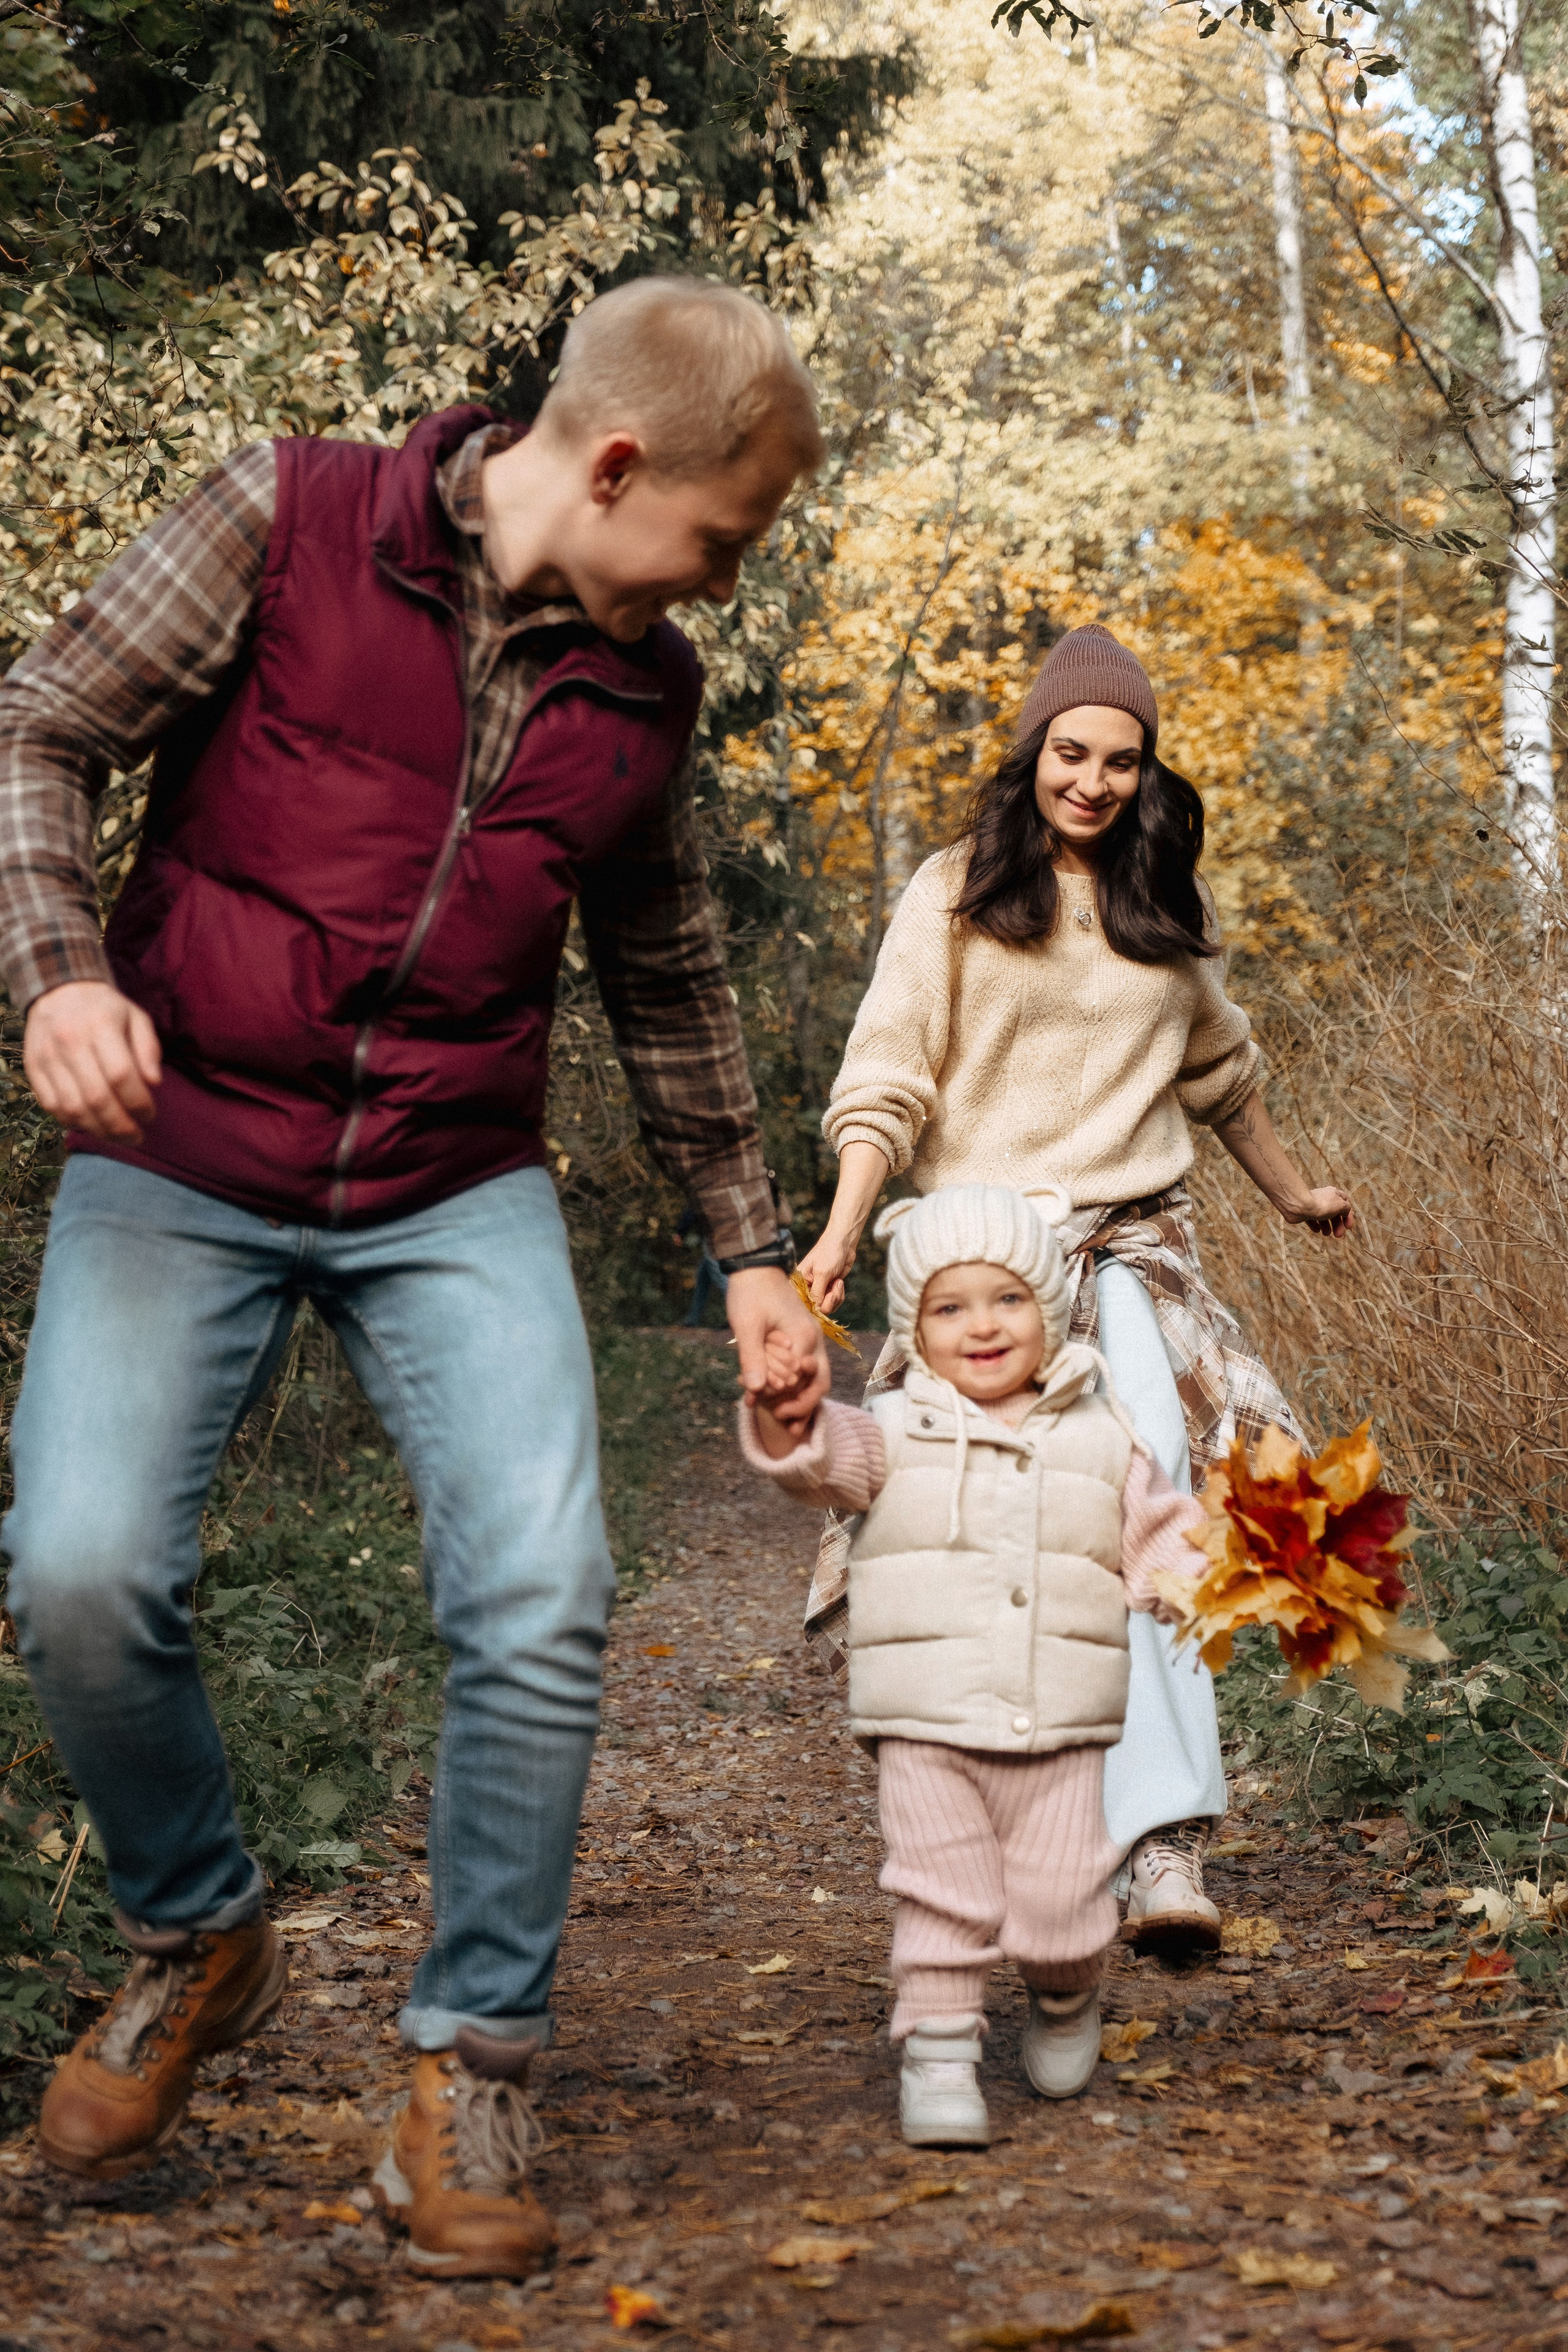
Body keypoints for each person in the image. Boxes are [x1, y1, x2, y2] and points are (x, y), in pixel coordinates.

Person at [0, 276, 831, 2276]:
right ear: (620, 464)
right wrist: (57, 975)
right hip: (183, 1139)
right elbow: (36, 724)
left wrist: (752, 1255)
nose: (717, 578)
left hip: (456, 1183)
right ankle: (199, 1931)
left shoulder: (647, 690)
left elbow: (667, 975)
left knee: (543, 1589)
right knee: (79, 1570)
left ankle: (474, 2063)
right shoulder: (281, 519)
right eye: (720, 537)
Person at [797, 624, 1351, 1956]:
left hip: (1127, 1241)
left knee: (1147, 1470)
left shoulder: (1165, 910)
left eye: (1119, 761)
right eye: (1070, 753)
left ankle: (1161, 1846)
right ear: (1032, 752)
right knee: (991, 1520)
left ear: (1144, 774)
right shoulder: (952, 892)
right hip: (983, 1247)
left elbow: (1220, 1075)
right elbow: (888, 1076)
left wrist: (1291, 1191)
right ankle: (1025, 1828)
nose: (1091, 782)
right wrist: (835, 1235)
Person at [742, 1183, 1203, 2146]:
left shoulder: (1102, 1432)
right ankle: (940, 2056)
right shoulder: (895, 1432)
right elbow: (825, 1465)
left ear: (1048, 1308)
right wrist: (793, 1420)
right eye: (950, 1307)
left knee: (1063, 1901)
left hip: (1063, 1722)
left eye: (1008, 1300)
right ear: (915, 1326)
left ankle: (1067, 1993)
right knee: (940, 1895)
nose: (982, 1326)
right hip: (926, 1724)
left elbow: (1163, 1537)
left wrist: (1203, 1585)